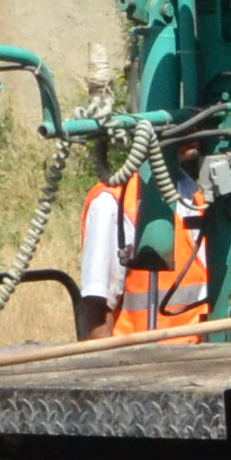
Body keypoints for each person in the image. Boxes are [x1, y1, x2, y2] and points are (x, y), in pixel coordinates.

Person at [72, 144, 210, 339]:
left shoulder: (196, 196)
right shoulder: (111, 202)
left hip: (200, 358)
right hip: (138, 360)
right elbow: (97, 307)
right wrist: (107, 366)